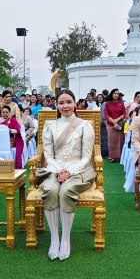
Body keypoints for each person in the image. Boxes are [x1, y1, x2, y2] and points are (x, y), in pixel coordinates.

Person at [35, 89, 96, 260]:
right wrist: (59, 170)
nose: (65, 106)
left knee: (67, 190)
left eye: (69, 102)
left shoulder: (85, 126)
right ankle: (54, 238)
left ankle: (66, 238)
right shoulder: (50, 125)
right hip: (54, 168)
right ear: (56, 104)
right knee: (52, 190)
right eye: (61, 103)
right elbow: (48, 155)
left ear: (75, 103)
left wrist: (69, 171)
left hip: (79, 169)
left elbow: (86, 157)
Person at [104, 88, 126, 163]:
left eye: (117, 94)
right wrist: (114, 122)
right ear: (112, 94)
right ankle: (112, 157)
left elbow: (124, 113)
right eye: (114, 93)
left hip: (120, 125)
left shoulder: (121, 103)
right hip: (111, 125)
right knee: (112, 141)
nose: (116, 95)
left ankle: (121, 156)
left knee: (121, 140)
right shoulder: (108, 103)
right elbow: (106, 114)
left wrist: (117, 120)